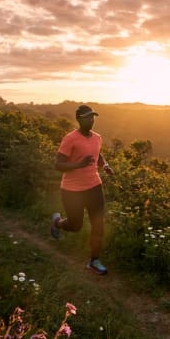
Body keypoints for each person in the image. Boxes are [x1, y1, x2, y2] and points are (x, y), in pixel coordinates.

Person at [51, 105, 114, 275]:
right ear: (79, 119)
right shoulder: (70, 139)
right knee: (75, 225)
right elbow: (58, 165)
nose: (91, 120)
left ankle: (94, 261)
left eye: (93, 117)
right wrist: (79, 164)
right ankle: (57, 222)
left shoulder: (97, 138)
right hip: (72, 191)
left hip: (94, 186)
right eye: (87, 117)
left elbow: (97, 155)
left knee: (98, 224)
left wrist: (105, 165)